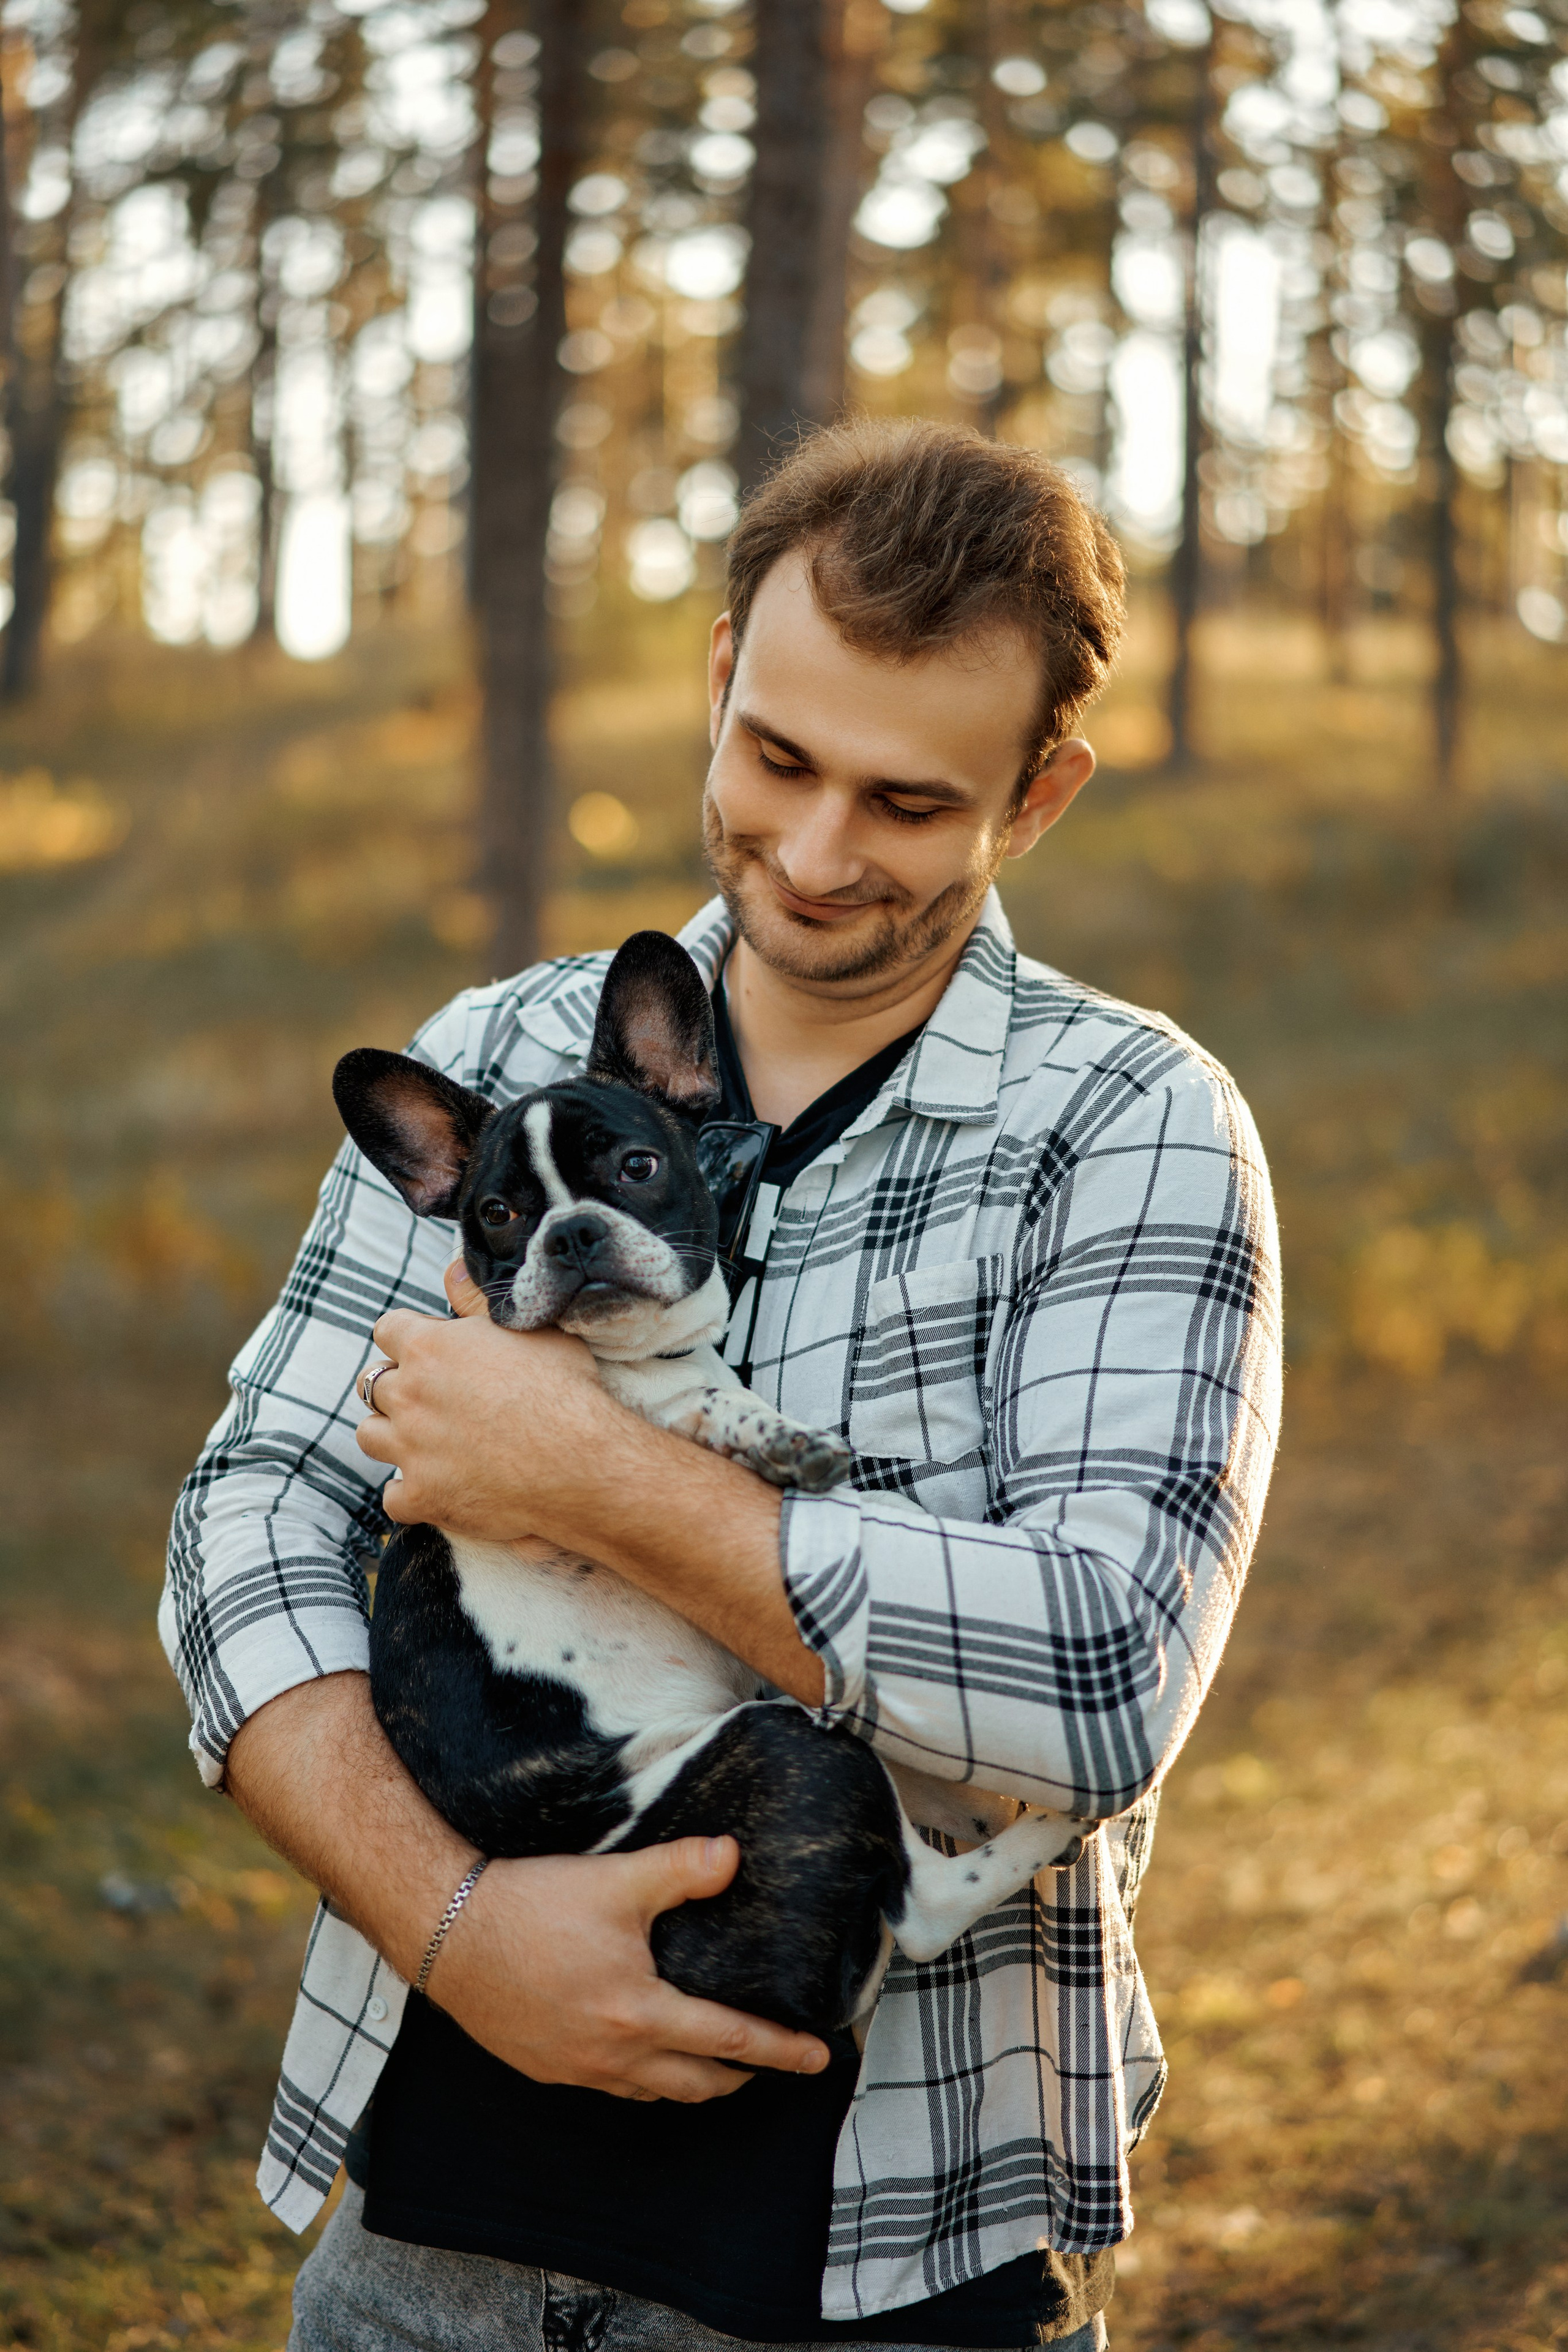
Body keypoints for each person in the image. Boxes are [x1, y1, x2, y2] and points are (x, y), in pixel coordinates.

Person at [162, 418, 1281, 2352]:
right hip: (427, 2245)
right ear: (715, 678)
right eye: (776, 759)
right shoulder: (499, 1052)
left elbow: (1103, 1677)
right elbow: (244, 1516)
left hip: (882, 2275)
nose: (821, 852)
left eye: (911, 803)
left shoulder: (1129, 1124)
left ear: (1042, 793)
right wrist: (458, 1930)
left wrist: (593, 1480)